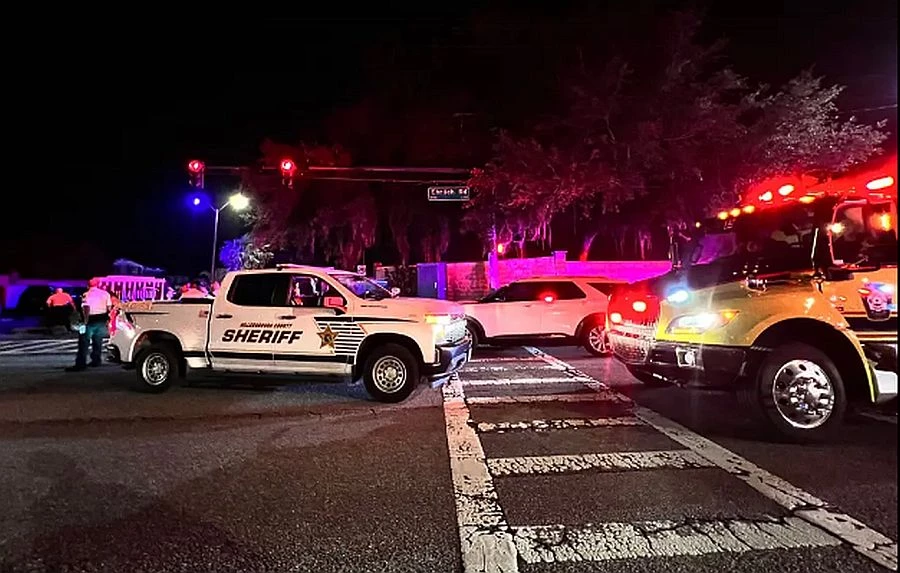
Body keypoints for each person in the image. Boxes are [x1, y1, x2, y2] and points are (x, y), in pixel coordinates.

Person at [66, 278, 112, 372]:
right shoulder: (105, 294)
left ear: (88, 285)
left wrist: (85, 321)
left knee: (83, 342)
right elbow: (109, 308)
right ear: (98, 284)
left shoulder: (86, 294)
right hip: (101, 319)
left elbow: (86, 308)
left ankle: (81, 364)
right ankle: (96, 360)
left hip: (90, 320)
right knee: (98, 341)